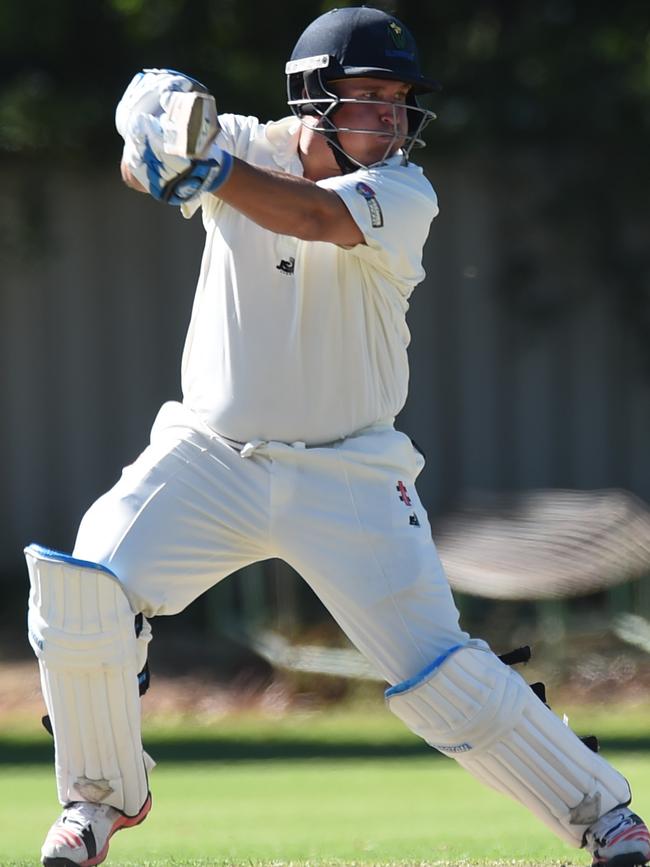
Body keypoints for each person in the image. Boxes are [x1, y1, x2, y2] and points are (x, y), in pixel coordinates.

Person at [26, 7, 649, 867]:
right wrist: (156, 123)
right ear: (313, 99)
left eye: (397, 101)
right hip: (210, 456)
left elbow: (310, 218)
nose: (389, 121)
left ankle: (605, 817)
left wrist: (205, 164)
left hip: (351, 473)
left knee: (444, 675)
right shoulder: (245, 141)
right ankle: (97, 803)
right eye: (367, 98)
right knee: (84, 592)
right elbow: (147, 141)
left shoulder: (404, 192)